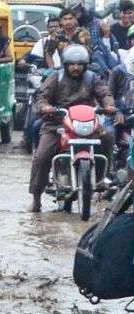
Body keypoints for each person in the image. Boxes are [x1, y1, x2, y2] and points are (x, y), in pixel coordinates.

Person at [30, 43, 120, 210]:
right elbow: (42, 97)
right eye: (72, 64)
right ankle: (36, 197)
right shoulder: (55, 78)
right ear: (66, 64)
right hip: (57, 123)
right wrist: (45, 107)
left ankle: (103, 177)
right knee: (42, 156)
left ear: (85, 65)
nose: (76, 68)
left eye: (80, 64)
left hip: (87, 123)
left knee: (107, 136)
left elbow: (104, 93)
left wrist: (109, 105)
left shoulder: (92, 78)